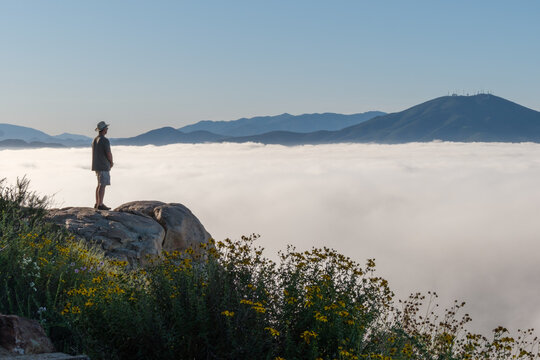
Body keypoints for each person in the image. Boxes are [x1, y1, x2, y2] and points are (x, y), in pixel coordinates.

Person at [92, 121, 113, 210]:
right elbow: (108, 153)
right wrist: (111, 162)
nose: (107, 129)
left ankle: (97, 203)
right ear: (104, 129)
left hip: (97, 165)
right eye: (106, 128)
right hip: (103, 165)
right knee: (102, 185)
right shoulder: (104, 140)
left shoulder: (95, 140)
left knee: (99, 185)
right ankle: (100, 204)